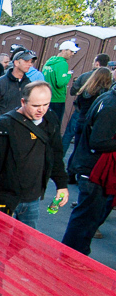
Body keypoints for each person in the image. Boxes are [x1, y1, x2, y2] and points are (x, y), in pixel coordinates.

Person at [0, 81, 69, 228]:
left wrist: (62, 185)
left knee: (23, 247)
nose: (41, 110)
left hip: (32, 198)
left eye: (46, 104)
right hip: (4, 199)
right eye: (35, 106)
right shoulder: (2, 126)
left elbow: (55, 154)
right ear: (23, 101)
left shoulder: (51, 120)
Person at [61, 81, 116, 254]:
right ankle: (73, 256)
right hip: (93, 170)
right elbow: (98, 141)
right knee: (87, 217)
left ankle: (76, 254)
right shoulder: (110, 105)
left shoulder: (107, 99)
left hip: (92, 167)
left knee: (89, 216)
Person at [64, 54, 111, 154]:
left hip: (80, 114)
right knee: (83, 148)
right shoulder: (106, 90)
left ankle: (59, 158)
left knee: (69, 134)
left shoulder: (85, 77)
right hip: (91, 120)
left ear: (97, 63)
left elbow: (73, 92)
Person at [0, 49, 33, 118]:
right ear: (16, 63)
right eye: (26, 61)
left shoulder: (28, 84)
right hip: (1, 125)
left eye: (31, 62)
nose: (30, 64)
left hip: (19, 124)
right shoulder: (1, 83)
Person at [43, 40, 80, 123]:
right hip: (57, 99)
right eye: (71, 51)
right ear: (64, 50)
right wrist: (69, 75)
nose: (73, 54)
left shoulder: (49, 62)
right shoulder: (63, 63)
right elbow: (60, 83)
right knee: (55, 124)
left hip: (46, 98)